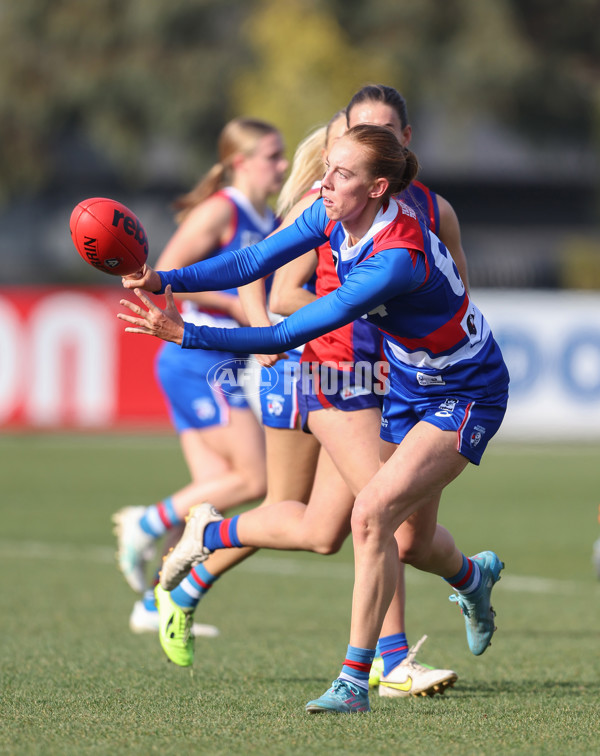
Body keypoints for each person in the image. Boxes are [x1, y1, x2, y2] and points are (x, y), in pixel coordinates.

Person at [118, 122, 509, 714]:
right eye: (327, 166)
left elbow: (285, 329)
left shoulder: (396, 257)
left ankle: (357, 680)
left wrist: (187, 332)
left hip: (465, 389)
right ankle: (473, 581)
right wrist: (164, 279)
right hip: (404, 382)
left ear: (379, 188)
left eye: (341, 174)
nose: (323, 182)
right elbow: (252, 259)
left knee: (371, 513)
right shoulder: (330, 213)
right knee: (412, 540)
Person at [112, 116, 288, 633]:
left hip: (220, 360)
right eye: (272, 155)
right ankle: (144, 523)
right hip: (198, 359)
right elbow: (164, 276)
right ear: (240, 162)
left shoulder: (270, 215)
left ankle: (154, 605)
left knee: (210, 494)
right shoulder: (220, 211)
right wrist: (236, 305)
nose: (281, 165)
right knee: (256, 479)